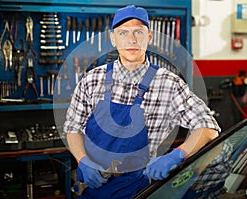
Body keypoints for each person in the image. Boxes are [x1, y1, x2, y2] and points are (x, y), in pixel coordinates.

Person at [63, 4, 220, 199]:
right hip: (92, 189)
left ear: (150, 37)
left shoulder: (168, 84)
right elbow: (72, 128)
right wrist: (82, 161)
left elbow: (208, 127)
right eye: (123, 33)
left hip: (139, 191)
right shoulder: (91, 80)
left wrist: (178, 154)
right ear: (113, 38)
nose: (131, 40)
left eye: (139, 32)